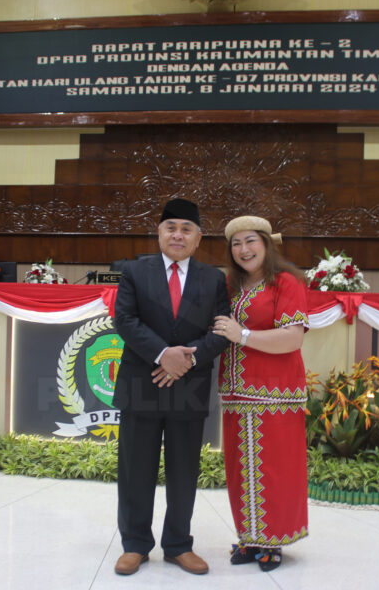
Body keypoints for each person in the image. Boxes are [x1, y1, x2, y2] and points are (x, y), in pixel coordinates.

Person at [112, 198, 230, 576]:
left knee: (183, 472)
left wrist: (187, 361)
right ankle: (135, 544)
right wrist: (164, 355)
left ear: (198, 238)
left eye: (186, 229)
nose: (178, 235)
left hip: (189, 385)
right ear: (159, 233)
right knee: (135, 470)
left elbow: (222, 330)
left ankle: (179, 544)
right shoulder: (134, 271)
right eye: (171, 228)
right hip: (141, 382)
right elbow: (124, 320)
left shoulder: (213, 279)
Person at [212, 215, 309, 572]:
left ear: (267, 244)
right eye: (236, 244)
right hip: (236, 392)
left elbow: (293, 338)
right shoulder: (229, 285)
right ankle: (250, 537)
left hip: (275, 393)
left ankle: (274, 540)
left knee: (275, 470)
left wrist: (244, 335)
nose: (243, 249)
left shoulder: (286, 282)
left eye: (250, 241)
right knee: (240, 469)